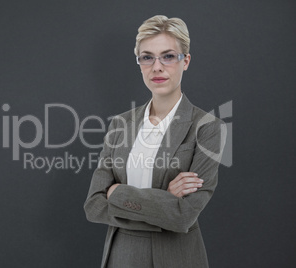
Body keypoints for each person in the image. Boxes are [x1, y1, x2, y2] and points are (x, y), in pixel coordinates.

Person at [84, 15, 227, 268]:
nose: (157, 67)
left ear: (186, 61)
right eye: (147, 57)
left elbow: (183, 216)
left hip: (176, 258)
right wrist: (165, 198)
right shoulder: (120, 124)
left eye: (168, 56)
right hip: (122, 256)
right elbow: (94, 205)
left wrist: (117, 194)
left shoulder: (207, 128)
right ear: (139, 63)